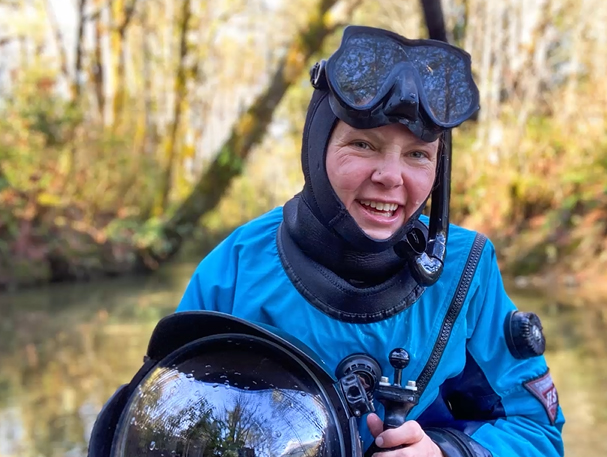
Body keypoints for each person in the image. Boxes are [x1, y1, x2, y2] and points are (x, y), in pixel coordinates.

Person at [176, 25, 565, 456]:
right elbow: (165, 424)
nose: (391, 177)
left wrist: (447, 453)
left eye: (418, 154)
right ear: (317, 147)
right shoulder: (233, 270)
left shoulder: (467, 272)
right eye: (363, 144)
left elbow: (538, 432)